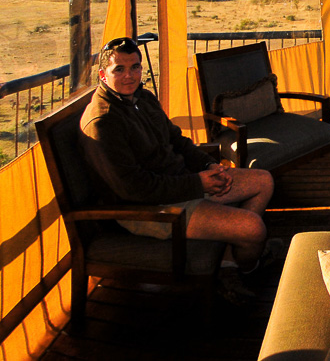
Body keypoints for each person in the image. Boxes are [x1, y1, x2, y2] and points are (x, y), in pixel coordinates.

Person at [78, 37, 276, 276]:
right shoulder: (104, 122)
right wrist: (198, 183)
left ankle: (226, 260)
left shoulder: (142, 98)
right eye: (119, 69)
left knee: (263, 180)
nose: (129, 76)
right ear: (102, 74)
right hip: (151, 208)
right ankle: (243, 268)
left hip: (180, 182)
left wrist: (209, 165)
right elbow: (134, 189)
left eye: (135, 67)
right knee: (253, 229)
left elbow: (177, 140)